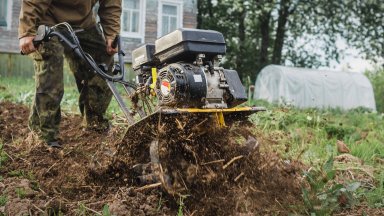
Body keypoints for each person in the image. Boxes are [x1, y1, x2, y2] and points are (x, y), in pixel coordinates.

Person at [18, 1, 121, 147]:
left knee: (102, 61)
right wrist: (27, 30)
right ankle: (43, 136)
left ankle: (94, 124)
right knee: (51, 70)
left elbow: (111, 3)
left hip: (84, 23)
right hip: (48, 20)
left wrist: (111, 33)